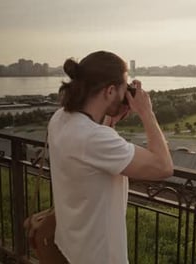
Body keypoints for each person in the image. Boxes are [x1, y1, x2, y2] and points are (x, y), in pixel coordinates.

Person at [47, 51, 174, 263]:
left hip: (71, 247)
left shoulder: (60, 118)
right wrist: (147, 113)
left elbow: (92, 156)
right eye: (125, 87)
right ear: (110, 90)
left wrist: (111, 118)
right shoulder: (94, 138)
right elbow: (163, 167)